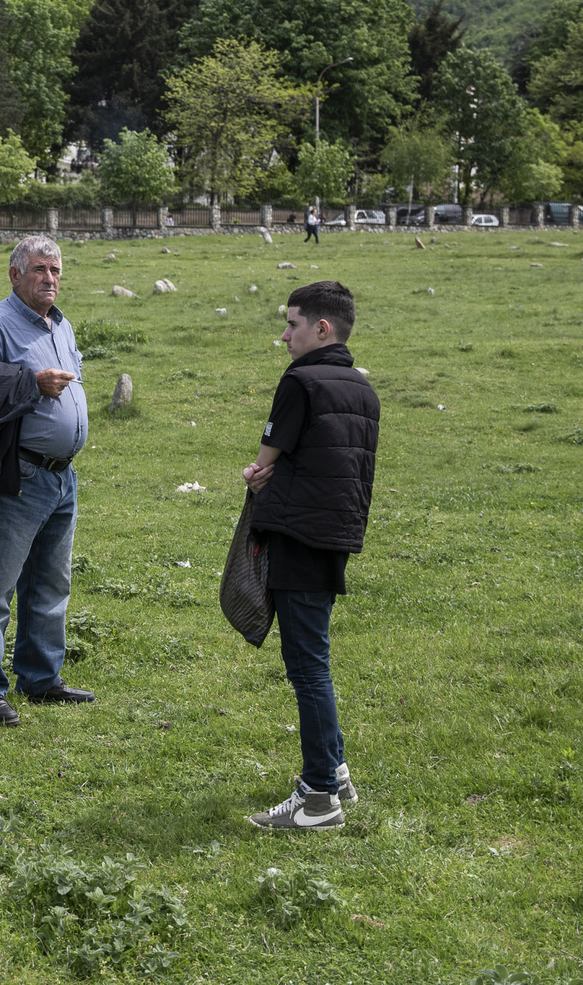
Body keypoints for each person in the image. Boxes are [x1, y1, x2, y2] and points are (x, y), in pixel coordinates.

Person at [238, 280, 379, 831]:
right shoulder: (361, 389)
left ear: (322, 328)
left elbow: (265, 459)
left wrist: (254, 475)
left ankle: (318, 797)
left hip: (296, 535)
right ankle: (337, 770)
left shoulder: (301, 381)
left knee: (307, 666)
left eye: (292, 323)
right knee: (314, 659)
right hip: (337, 535)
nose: (285, 334)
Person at [0, 235, 93, 726]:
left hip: (62, 477)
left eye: (55, 270)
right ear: (15, 275)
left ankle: (41, 676)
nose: (49, 279)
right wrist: (31, 384)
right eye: (38, 270)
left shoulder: (62, 323)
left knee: (51, 583)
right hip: (20, 475)